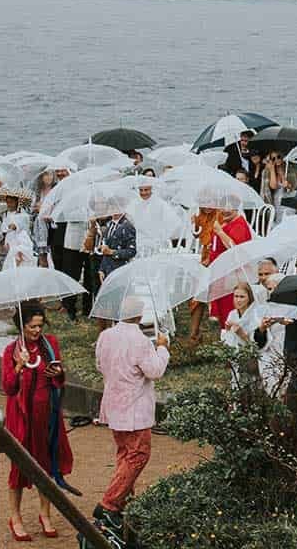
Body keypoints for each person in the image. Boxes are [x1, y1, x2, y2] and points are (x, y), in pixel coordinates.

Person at [2, 304, 74, 542]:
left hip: (46, 414)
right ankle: (16, 517)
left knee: (46, 464)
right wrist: (19, 364)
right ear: (21, 326)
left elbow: (59, 379)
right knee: (19, 467)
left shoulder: (49, 344)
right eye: (32, 326)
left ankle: (45, 513)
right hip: (21, 416)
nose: (37, 330)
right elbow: (8, 387)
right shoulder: (11, 350)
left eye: (40, 326)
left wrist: (58, 374)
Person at [95, 306, 170, 529]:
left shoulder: (105, 336)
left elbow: (100, 365)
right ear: (139, 315)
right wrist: (163, 348)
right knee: (138, 455)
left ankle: (123, 502)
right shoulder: (139, 340)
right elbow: (155, 371)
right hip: (134, 408)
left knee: (125, 454)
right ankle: (111, 502)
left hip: (114, 404)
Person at [188, 206, 254, 341]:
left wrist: (219, 232)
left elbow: (235, 249)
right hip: (218, 271)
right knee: (221, 309)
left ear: (237, 208)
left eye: (230, 208)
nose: (226, 211)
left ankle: (234, 340)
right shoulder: (223, 222)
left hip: (230, 274)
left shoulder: (239, 224)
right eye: (223, 208)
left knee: (229, 308)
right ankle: (225, 339)